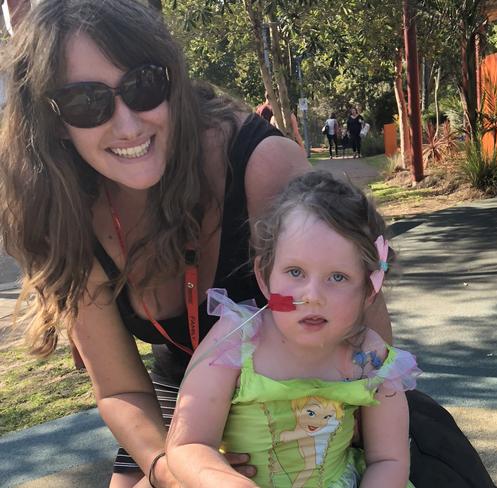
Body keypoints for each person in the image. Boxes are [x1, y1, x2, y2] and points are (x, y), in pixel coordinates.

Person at [0, 1, 326, 486]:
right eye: (87, 102)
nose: (128, 124)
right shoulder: (63, 210)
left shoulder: (263, 166)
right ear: (51, 119)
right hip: (182, 394)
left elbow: (365, 337)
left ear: (171, 78)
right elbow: (119, 389)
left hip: (305, 390)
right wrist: (166, 467)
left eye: (143, 84)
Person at [166, 171, 420, 487]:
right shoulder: (237, 340)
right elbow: (188, 444)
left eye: (337, 277)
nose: (312, 295)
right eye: (295, 272)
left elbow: (389, 459)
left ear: (369, 290)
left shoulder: (370, 357)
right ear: (264, 276)